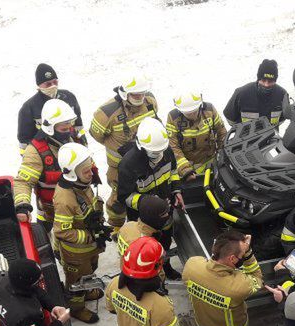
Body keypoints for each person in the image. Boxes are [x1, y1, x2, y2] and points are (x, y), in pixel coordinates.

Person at [182, 230, 263, 326]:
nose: (243, 257)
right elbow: (257, 278)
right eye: (241, 255)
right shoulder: (237, 287)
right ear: (232, 259)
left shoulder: (191, 266)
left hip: (202, 325)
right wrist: (248, 253)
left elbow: (207, 264)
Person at [90, 75, 159, 231]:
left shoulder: (150, 102)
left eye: (142, 93)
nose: (140, 98)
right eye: (135, 95)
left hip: (146, 161)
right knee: (118, 199)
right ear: (124, 94)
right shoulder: (106, 113)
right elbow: (97, 135)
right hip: (119, 166)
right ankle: (117, 227)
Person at [116, 118, 183, 280]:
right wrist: (146, 203)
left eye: (160, 151)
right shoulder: (129, 164)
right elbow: (124, 196)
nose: (158, 155)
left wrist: (176, 190)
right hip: (142, 217)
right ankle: (149, 277)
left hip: (165, 210)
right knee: (146, 248)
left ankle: (165, 266)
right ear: (141, 147)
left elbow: (173, 172)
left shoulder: (166, 151)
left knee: (165, 240)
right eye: (154, 152)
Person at [53, 143, 110, 323]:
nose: (91, 173)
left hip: (89, 248)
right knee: (76, 282)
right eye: (86, 171)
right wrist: (89, 236)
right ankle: (77, 308)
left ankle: (88, 291)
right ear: (72, 173)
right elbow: (62, 232)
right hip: (75, 253)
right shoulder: (65, 199)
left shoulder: (81, 184)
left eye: (90, 168)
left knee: (90, 270)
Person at [14, 98, 89, 233]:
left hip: (81, 202)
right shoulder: (35, 151)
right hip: (53, 210)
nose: (68, 130)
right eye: (63, 128)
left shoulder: (74, 138)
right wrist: (22, 205)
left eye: (69, 126)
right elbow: (23, 182)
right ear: (50, 127)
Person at [17, 63, 85, 149]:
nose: (53, 86)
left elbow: (78, 125)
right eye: (48, 84)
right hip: (47, 152)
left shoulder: (69, 97)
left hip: (71, 148)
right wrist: (32, 158)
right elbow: (24, 140)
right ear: (39, 85)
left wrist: (83, 144)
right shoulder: (28, 108)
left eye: (55, 82)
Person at [166, 92, 227, 182]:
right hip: (189, 167)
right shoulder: (173, 118)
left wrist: (222, 157)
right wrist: (185, 170)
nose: (191, 115)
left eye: (194, 111)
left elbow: (222, 132)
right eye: (187, 113)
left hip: (211, 162)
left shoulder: (209, 111)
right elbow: (173, 147)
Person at [117, 195, 171, 285]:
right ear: (153, 218)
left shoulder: (128, 226)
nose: (167, 216)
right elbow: (154, 273)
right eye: (163, 214)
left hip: (126, 271)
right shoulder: (145, 245)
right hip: (143, 283)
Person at [223, 59, 293, 127]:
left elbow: (284, 116)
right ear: (258, 78)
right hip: (246, 138)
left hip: (272, 137)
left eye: (270, 81)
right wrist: (242, 130)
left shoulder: (282, 95)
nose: (266, 84)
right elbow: (230, 118)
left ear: (275, 81)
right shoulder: (241, 94)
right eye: (263, 80)